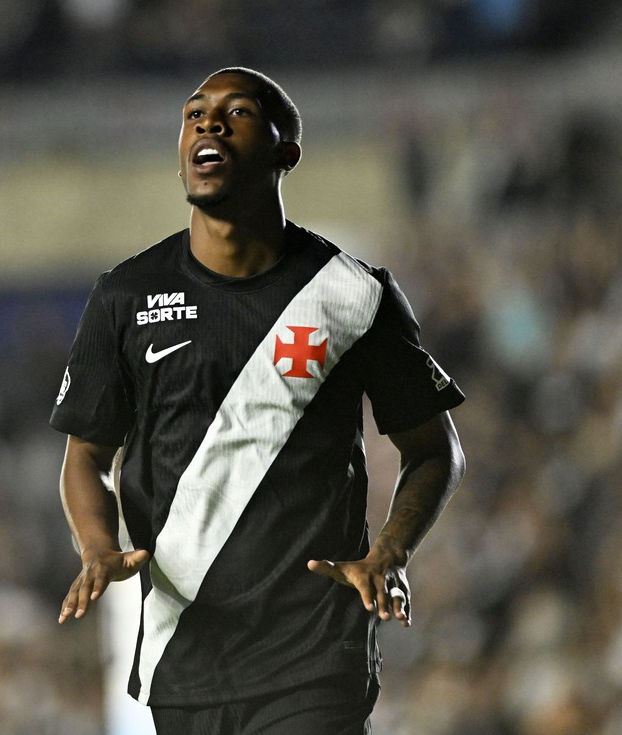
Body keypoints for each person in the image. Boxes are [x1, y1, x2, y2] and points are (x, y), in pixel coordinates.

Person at [50, 66, 466, 735]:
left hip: (314, 654)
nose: (209, 124)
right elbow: (86, 456)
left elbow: (434, 449)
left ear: (285, 153)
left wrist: (391, 550)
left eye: (237, 112)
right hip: (185, 656)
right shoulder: (124, 297)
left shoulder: (352, 294)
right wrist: (97, 547)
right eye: (194, 114)